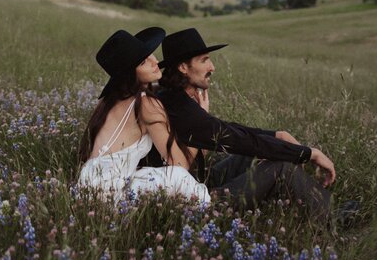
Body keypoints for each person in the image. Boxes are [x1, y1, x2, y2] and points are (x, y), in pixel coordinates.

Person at [141, 28, 336, 221]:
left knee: (248, 157)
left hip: (193, 181)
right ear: (183, 67)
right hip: (189, 203)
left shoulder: (172, 95)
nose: (212, 67)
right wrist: (309, 154)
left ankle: (313, 203)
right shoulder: (177, 105)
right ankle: (333, 218)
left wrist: (275, 135)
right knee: (280, 167)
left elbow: (225, 129)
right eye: (204, 60)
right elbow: (234, 138)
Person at [77, 27, 210, 204]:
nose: (154, 61)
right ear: (131, 73)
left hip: (86, 190)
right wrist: (201, 119)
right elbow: (179, 165)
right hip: (110, 195)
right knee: (178, 177)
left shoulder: (109, 101)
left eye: (150, 54)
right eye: (143, 62)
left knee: (150, 175)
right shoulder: (146, 104)